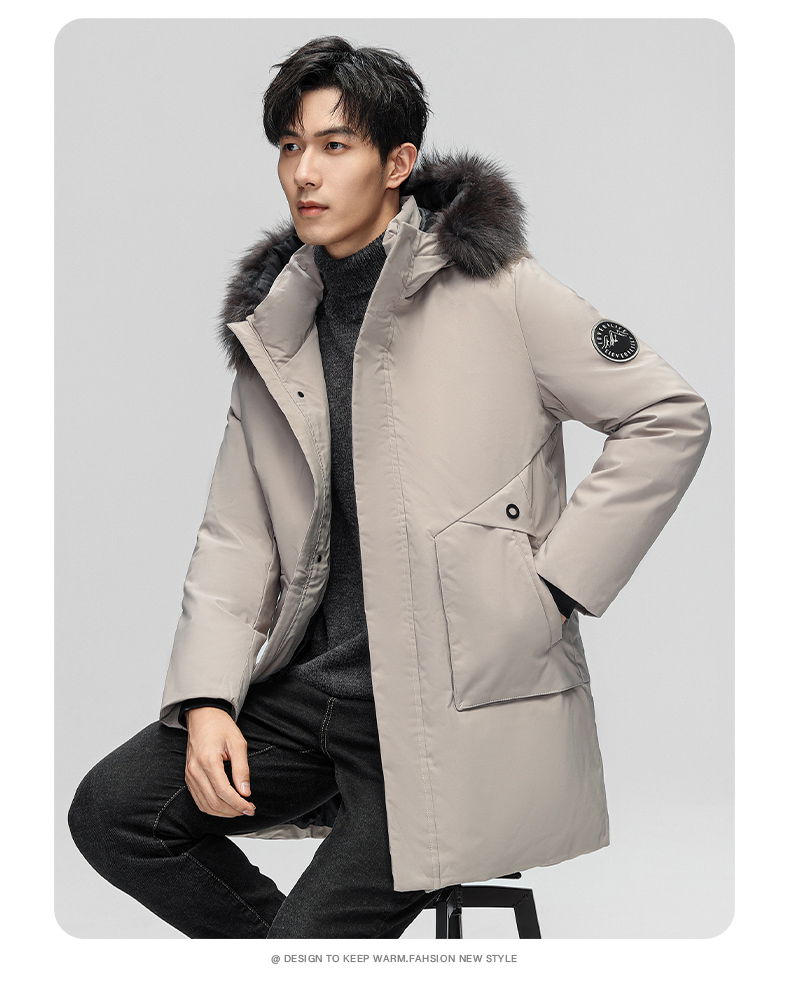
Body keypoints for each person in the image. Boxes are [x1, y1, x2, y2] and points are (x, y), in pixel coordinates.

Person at [68, 35, 712, 939]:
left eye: (335, 145)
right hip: (311, 699)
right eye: (290, 146)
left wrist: (553, 585)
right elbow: (237, 537)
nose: (305, 172)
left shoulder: (501, 291)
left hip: (453, 712)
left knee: (306, 949)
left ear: (398, 163)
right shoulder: (278, 331)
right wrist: (208, 699)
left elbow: (667, 412)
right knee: (114, 812)